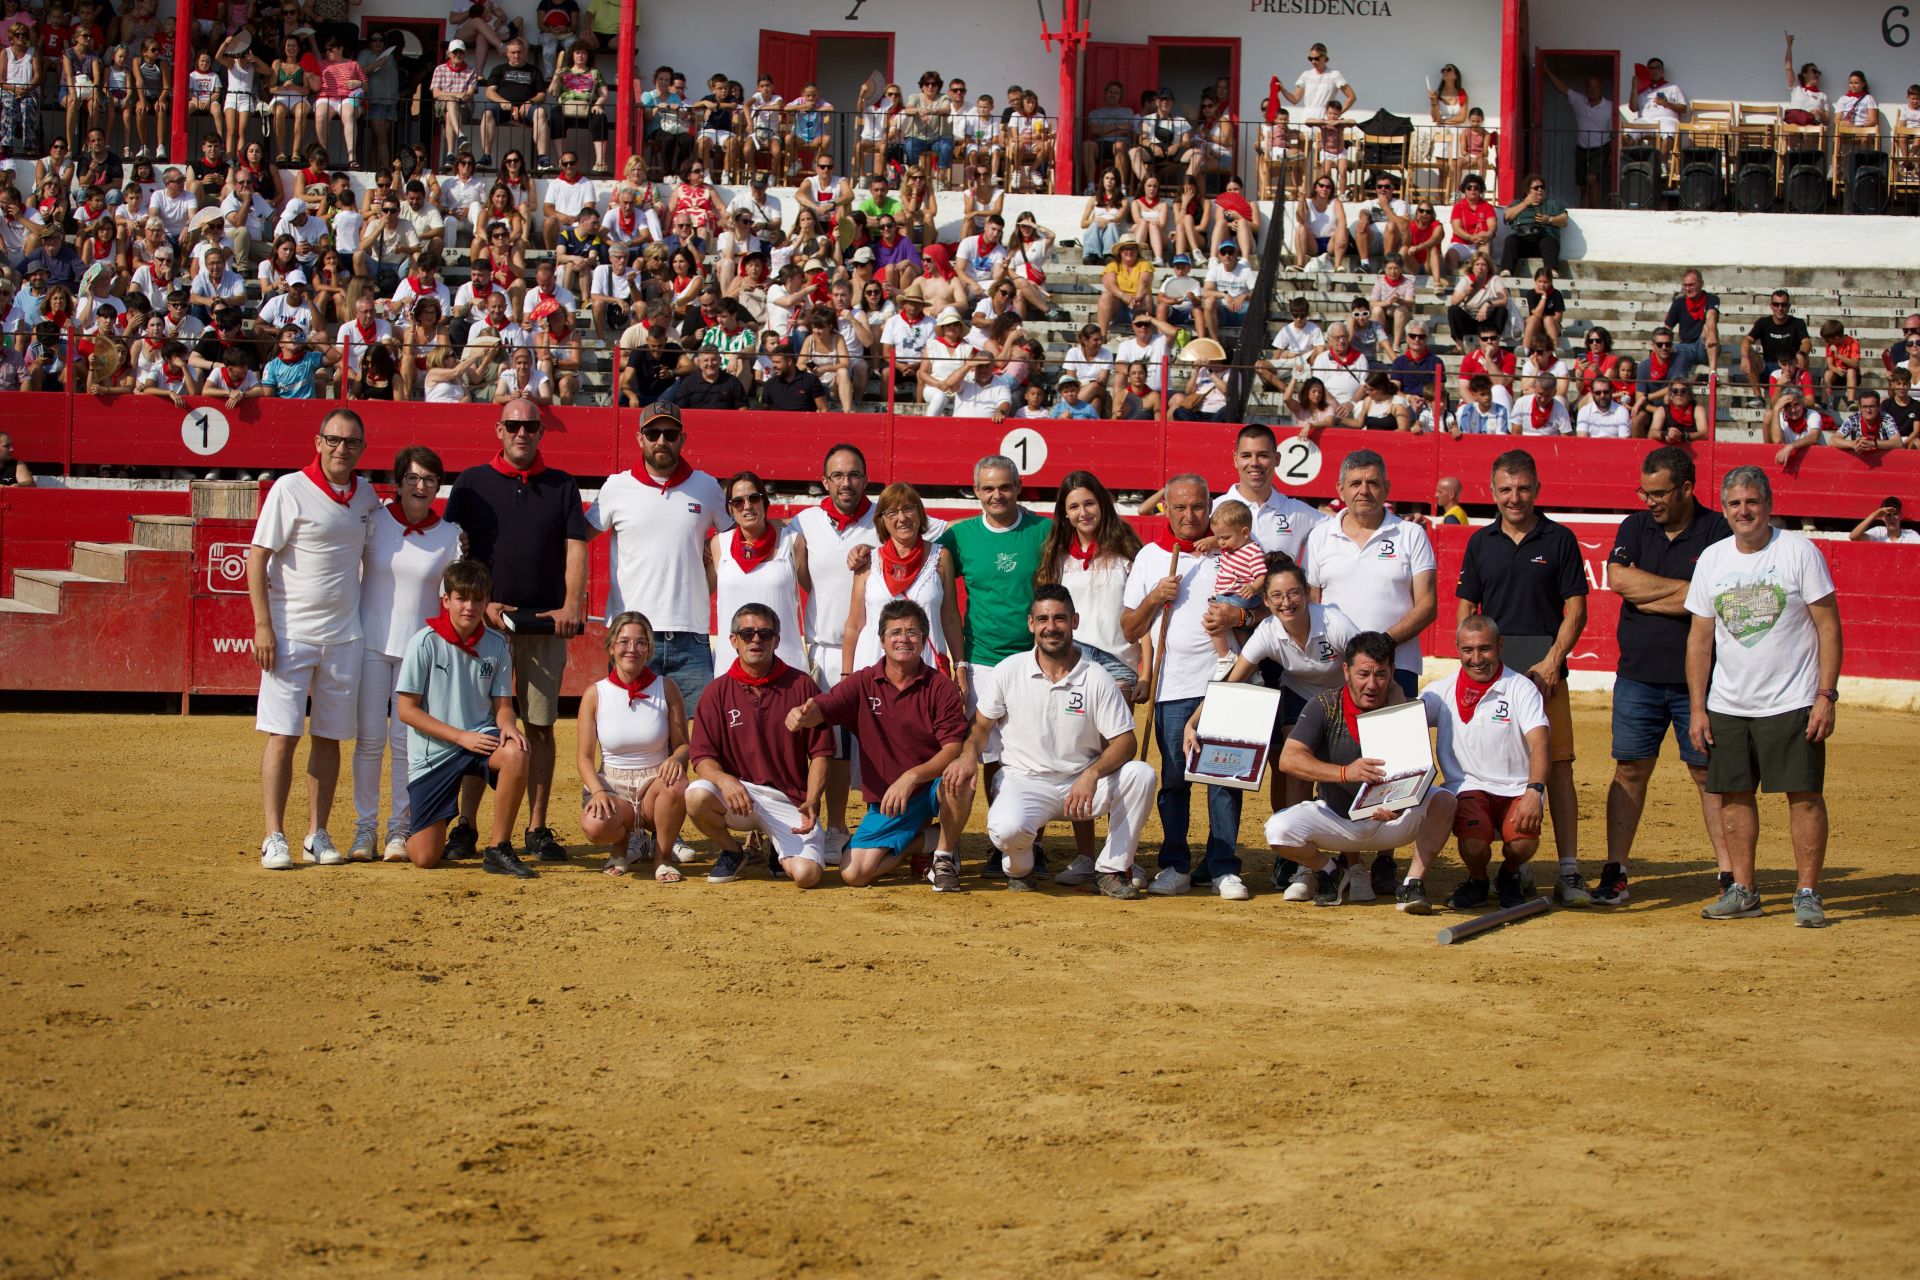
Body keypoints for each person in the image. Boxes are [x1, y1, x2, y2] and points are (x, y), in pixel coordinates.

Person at [1686, 467, 1841, 928]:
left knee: (1805, 796)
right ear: (1725, 508)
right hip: (1729, 703)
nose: (1743, 511)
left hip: (1792, 699)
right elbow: (1698, 640)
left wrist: (1826, 694)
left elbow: (1828, 626)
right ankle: (1743, 890)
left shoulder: (1799, 552)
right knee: (1733, 796)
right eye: (1734, 504)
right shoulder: (1712, 559)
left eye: (1751, 502)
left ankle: (1808, 891)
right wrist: (1698, 706)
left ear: (1768, 504)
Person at [442, 398, 590, 866]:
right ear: (498, 430)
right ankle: (465, 825)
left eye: (530, 425)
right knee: (475, 727)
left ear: (541, 430)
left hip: (544, 624)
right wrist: (478, 606)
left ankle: (536, 827)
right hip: (482, 626)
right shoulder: (470, 483)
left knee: (540, 727)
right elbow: (452, 551)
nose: (522, 432)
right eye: (513, 425)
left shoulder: (562, 485)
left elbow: (575, 549)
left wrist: (571, 605)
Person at [940, 586, 1155, 900]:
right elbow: (980, 727)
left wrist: (1091, 774)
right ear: (1030, 624)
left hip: (1081, 786)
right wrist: (968, 754)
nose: (1051, 626)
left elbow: (1125, 742)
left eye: (1059, 618)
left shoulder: (1096, 677)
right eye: (1043, 619)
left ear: (1074, 621)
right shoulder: (1008, 671)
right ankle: (1020, 867)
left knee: (1141, 775)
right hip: (1024, 782)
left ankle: (1111, 869)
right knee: (1006, 830)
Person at [1454, 449, 1590, 904]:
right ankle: (1519, 863)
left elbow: (1576, 609)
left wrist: (1552, 660)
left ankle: (1569, 868)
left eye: (1524, 488)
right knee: (1496, 765)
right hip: (1491, 670)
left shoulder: (1559, 539)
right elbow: (1465, 607)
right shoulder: (1480, 542)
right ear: (1492, 492)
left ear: (1537, 489)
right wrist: (1467, 659)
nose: (1515, 498)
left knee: (1558, 768)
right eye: (1506, 489)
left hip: (1543, 669)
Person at [1600, 446, 1733, 907]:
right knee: (1630, 770)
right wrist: (1692, 594)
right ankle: (1616, 870)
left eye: (1658, 493)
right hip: (1637, 676)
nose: (1650, 501)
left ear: (1687, 488)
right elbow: (1619, 581)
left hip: (1700, 681)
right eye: (1645, 491)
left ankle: (1729, 872)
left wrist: (1650, 592)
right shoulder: (1635, 526)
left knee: (1707, 774)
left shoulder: (1717, 530)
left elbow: (1718, 597)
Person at [248, 409, 378, 871]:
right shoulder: (288, 488)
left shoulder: (366, 496)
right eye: (334, 440)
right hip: (290, 633)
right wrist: (264, 626)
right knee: (283, 735)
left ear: (362, 448)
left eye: (352, 442)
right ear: (318, 442)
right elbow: (257, 558)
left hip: (344, 637)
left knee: (329, 738)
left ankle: (316, 833)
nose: (342, 448)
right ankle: (273, 835)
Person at [1302, 451, 1437, 898]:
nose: (1364, 490)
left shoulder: (1411, 534)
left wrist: (1378, 652)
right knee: (1345, 759)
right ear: (1340, 489)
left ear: (1387, 487)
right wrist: (1349, 659)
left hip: (1396, 664)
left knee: (1395, 760)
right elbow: (1314, 607)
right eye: (1355, 482)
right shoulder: (1321, 537)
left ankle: (1387, 856)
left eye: (1373, 482)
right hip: (1340, 672)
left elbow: (1426, 605)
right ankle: (1351, 855)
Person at [788, 598, 972, 892]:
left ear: (924, 640)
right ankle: (930, 839)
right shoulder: (863, 682)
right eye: (895, 632)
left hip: (930, 786)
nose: (903, 638)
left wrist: (911, 777)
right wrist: (804, 714)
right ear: (882, 641)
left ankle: (944, 855)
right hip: (890, 798)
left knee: (961, 778)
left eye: (912, 632)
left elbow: (952, 749)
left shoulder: (941, 687)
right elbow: (824, 707)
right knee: (854, 873)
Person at [1264, 631, 1456, 907]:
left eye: (1380, 674)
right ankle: (1330, 870)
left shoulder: (1402, 708)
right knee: (1278, 830)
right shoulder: (1325, 705)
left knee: (1445, 801)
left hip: (1389, 821)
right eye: (1363, 674)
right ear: (1346, 670)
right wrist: (1344, 772)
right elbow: (1289, 760)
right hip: (1337, 820)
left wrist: (1401, 804)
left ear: (1392, 672)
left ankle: (1412, 885)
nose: (1371, 684)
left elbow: (1418, 771)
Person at [1123, 475, 1247, 899]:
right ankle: (1175, 864)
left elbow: (1264, 610)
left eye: (1198, 507)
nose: (1190, 516)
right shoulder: (1151, 558)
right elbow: (1129, 628)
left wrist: (1238, 618)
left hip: (1227, 682)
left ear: (1210, 506)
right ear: (1167, 510)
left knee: (1225, 780)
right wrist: (1155, 598)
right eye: (1180, 508)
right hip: (1172, 687)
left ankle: (1222, 867)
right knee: (1175, 780)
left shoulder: (1232, 551)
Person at [936, 454, 1053, 866]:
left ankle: (1032, 839)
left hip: (1036, 659)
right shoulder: (960, 536)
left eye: (1004, 487)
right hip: (983, 661)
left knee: (1034, 751)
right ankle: (1002, 837)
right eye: (987, 488)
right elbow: (917, 567)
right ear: (976, 492)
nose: (996, 495)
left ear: (1019, 487)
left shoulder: (1044, 529)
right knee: (991, 754)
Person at [585, 400, 728, 726]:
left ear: (682, 438)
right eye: (653, 433)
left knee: (701, 743)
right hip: (631, 636)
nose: (661, 440)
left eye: (669, 433)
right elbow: (578, 537)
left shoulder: (706, 487)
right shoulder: (616, 487)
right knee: (628, 738)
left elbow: (737, 539)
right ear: (640, 438)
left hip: (690, 634)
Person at [351, 445, 462, 864]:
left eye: (429, 480)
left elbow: (451, 598)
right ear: (398, 483)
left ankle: (399, 830)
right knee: (369, 741)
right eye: (413, 478)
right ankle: (365, 830)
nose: (420, 486)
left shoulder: (449, 534)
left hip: (419, 656)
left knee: (406, 744)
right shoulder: (375, 522)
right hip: (369, 644)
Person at [392, 558, 535, 878]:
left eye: (477, 599)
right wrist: (460, 737)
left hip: (480, 738)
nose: (469, 606)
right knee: (425, 857)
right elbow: (406, 710)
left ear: (487, 601)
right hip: (434, 754)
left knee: (516, 751)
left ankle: (499, 848)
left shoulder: (497, 644)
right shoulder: (424, 642)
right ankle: (421, 828)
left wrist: (509, 725)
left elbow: (502, 705)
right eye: (461, 598)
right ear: (446, 600)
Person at [1399, 616, 1551, 913]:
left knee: (1523, 844)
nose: (1477, 659)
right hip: (1468, 787)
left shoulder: (1520, 687)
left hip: (1518, 787)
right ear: (1457, 649)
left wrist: (1534, 792)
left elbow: (1540, 743)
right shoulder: (1439, 691)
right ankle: (1479, 880)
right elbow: (1404, 721)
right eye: (1468, 650)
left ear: (1500, 646)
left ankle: (1509, 874)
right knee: (1473, 842)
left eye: (1485, 649)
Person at [686, 605, 834, 888]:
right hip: (740, 795)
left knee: (808, 876)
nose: (756, 640)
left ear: (776, 640)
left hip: (788, 798)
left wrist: (812, 799)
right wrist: (725, 781)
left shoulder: (802, 686)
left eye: (765, 634)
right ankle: (731, 850)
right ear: (733, 640)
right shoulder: (716, 693)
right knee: (695, 796)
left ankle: (776, 851)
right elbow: (702, 757)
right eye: (747, 633)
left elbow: (820, 753)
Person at [576, 612, 691, 880]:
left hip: (655, 786)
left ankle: (661, 857)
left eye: (641, 642)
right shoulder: (595, 693)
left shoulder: (667, 687)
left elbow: (684, 745)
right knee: (595, 826)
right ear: (611, 646)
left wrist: (675, 759)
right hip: (613, 786)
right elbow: (583, 758)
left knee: (677, 783)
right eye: (624, 641)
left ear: (649, 649)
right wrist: (598, 792)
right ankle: (621, 848)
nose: (632, 649)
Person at [711, 470, 804, 673]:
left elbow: (814, 589)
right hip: (730, 664)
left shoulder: (792, 541)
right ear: (730, 509)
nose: (747, 506)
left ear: (765, 502)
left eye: (754, 498)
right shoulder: (719, 545)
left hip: (786, 662)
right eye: (738, 502)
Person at [1204, 500, 1269, 678]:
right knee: (1243, 638)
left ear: (1245, 533)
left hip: (1237, 595)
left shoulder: (1252, 551)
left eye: (1225, 538)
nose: (1221, 543)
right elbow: (1221, 539)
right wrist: (1211, 541)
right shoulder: (1233, 546)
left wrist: (1254, 587)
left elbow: (1263, 575)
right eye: (1218, 537)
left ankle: (1225, 656)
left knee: (1212, 620)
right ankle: (1253, 672)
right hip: (1237, 596)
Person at [1543, 63, 1615, 207]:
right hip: (1581, 148)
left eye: (1596, 87)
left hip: (1601, 148)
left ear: (1601, 88)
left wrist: (1613, 154)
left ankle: (1594, 211)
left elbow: (1614, 133)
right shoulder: (1579, 100)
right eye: (1590, 87)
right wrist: (1545, 69)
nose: (1593, 90)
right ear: (1586, 89)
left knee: (1592, 179)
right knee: (1583, 186)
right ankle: (1584, 210)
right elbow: (1561, 87)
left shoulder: (1609, 107)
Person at [1741, 289, 1811, 392]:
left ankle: (1801, 394)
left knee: (1803, 356)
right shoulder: (1763, 323)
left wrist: (1801, 353)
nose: (1780, 308)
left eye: (1783, 305)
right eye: (1776, 304)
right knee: (1750, 355)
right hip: (1768, 367)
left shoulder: (1797, 323)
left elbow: (1806, 342)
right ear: (1771, 306)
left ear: (1789, 306)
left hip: (1790, 366)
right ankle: (1758, 397)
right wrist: (1744, 356)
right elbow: (1747, 340)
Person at [1499, 175, 1568, 275]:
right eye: (1536, 188)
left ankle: (1551, 271)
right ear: (1528, 191)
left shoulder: (1552, 204)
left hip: (1542, 245)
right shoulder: (1518, 203)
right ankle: (1507, 270)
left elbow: (1564, 220)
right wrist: (1525, 204)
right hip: (1522, 242)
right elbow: (1507, 217)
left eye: (1542, 187)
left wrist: (1549, 219)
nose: (1540, 190)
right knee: (1510, 240)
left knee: (1549, 241)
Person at [1662, 270, 1720, 383]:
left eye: (1691, 285)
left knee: (1708, 326)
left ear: (1701, 284)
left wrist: (1712, 334)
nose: (1688, 289)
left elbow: (1711, 315)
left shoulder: (1712, 299)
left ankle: (1713, 372)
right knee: (1664, 347)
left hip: (1704, 346)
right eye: (1685, 285)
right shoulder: (1679, 303)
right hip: (1685, 348)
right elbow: (1667, 328)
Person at [1850, 495, 1920, 543]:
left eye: (1895, 514)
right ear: (1882, 517)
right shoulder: (1878, 532)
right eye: (1888, 515)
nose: (1892, 518)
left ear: (1901, 516)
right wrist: (1874, 514)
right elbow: (1853, 537)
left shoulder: (1910, 535)